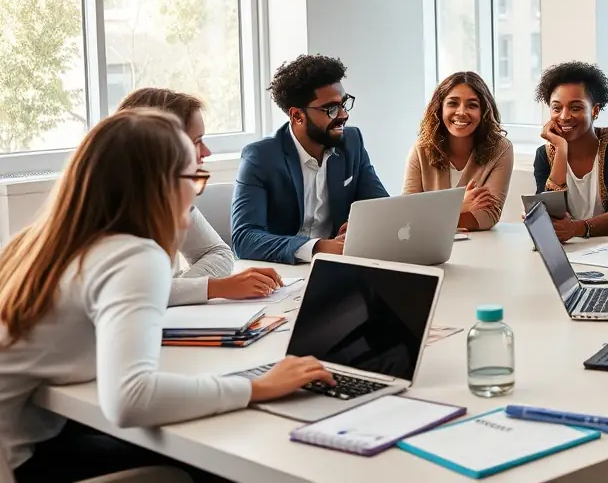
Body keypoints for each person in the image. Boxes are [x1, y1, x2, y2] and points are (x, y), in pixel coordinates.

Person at [0, 110, 337, 483]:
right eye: (193, 179)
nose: (194, 196)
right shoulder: (132, 256)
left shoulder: (37, 243)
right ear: (158, 187)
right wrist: (259, 385)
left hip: (25, 439)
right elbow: (131, 399)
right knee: (218, 462)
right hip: (21, 463)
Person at [117, 88, 283, 305]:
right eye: (196, 141)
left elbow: (219, 253)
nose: (206, 152)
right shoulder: (112, 211)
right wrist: (215, 287)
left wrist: (175, 289)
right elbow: (128, 294)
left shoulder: (169, 195)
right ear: (162, 144)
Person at [231, 55, 388, 264]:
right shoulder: (260, 158)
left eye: (344, 103)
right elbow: (245, 238)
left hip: (339, 267)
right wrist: (318, 247)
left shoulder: (352, 142)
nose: (343, 115)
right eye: (331, 109)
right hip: (281, 273)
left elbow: (382, 208)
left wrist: (360, 224)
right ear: (297, 116)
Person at [532, 62, 608, 242]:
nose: (564, 116)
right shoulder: (544, 155)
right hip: (573, 251)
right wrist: (561, 150)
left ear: (595, 110)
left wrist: (576, 228)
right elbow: (550, 217)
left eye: (575, 107)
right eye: (556, 108)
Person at [403, 71, 513, 232]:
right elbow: (406, 212)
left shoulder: (500, 149)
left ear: (484, 112)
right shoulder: (422, 148)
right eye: (453, 103)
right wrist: (460, 205)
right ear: (439, 108)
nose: (461, 112)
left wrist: (432, 218)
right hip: (427, 245)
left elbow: (489, 214)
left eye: (472, 105)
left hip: (477, 246)